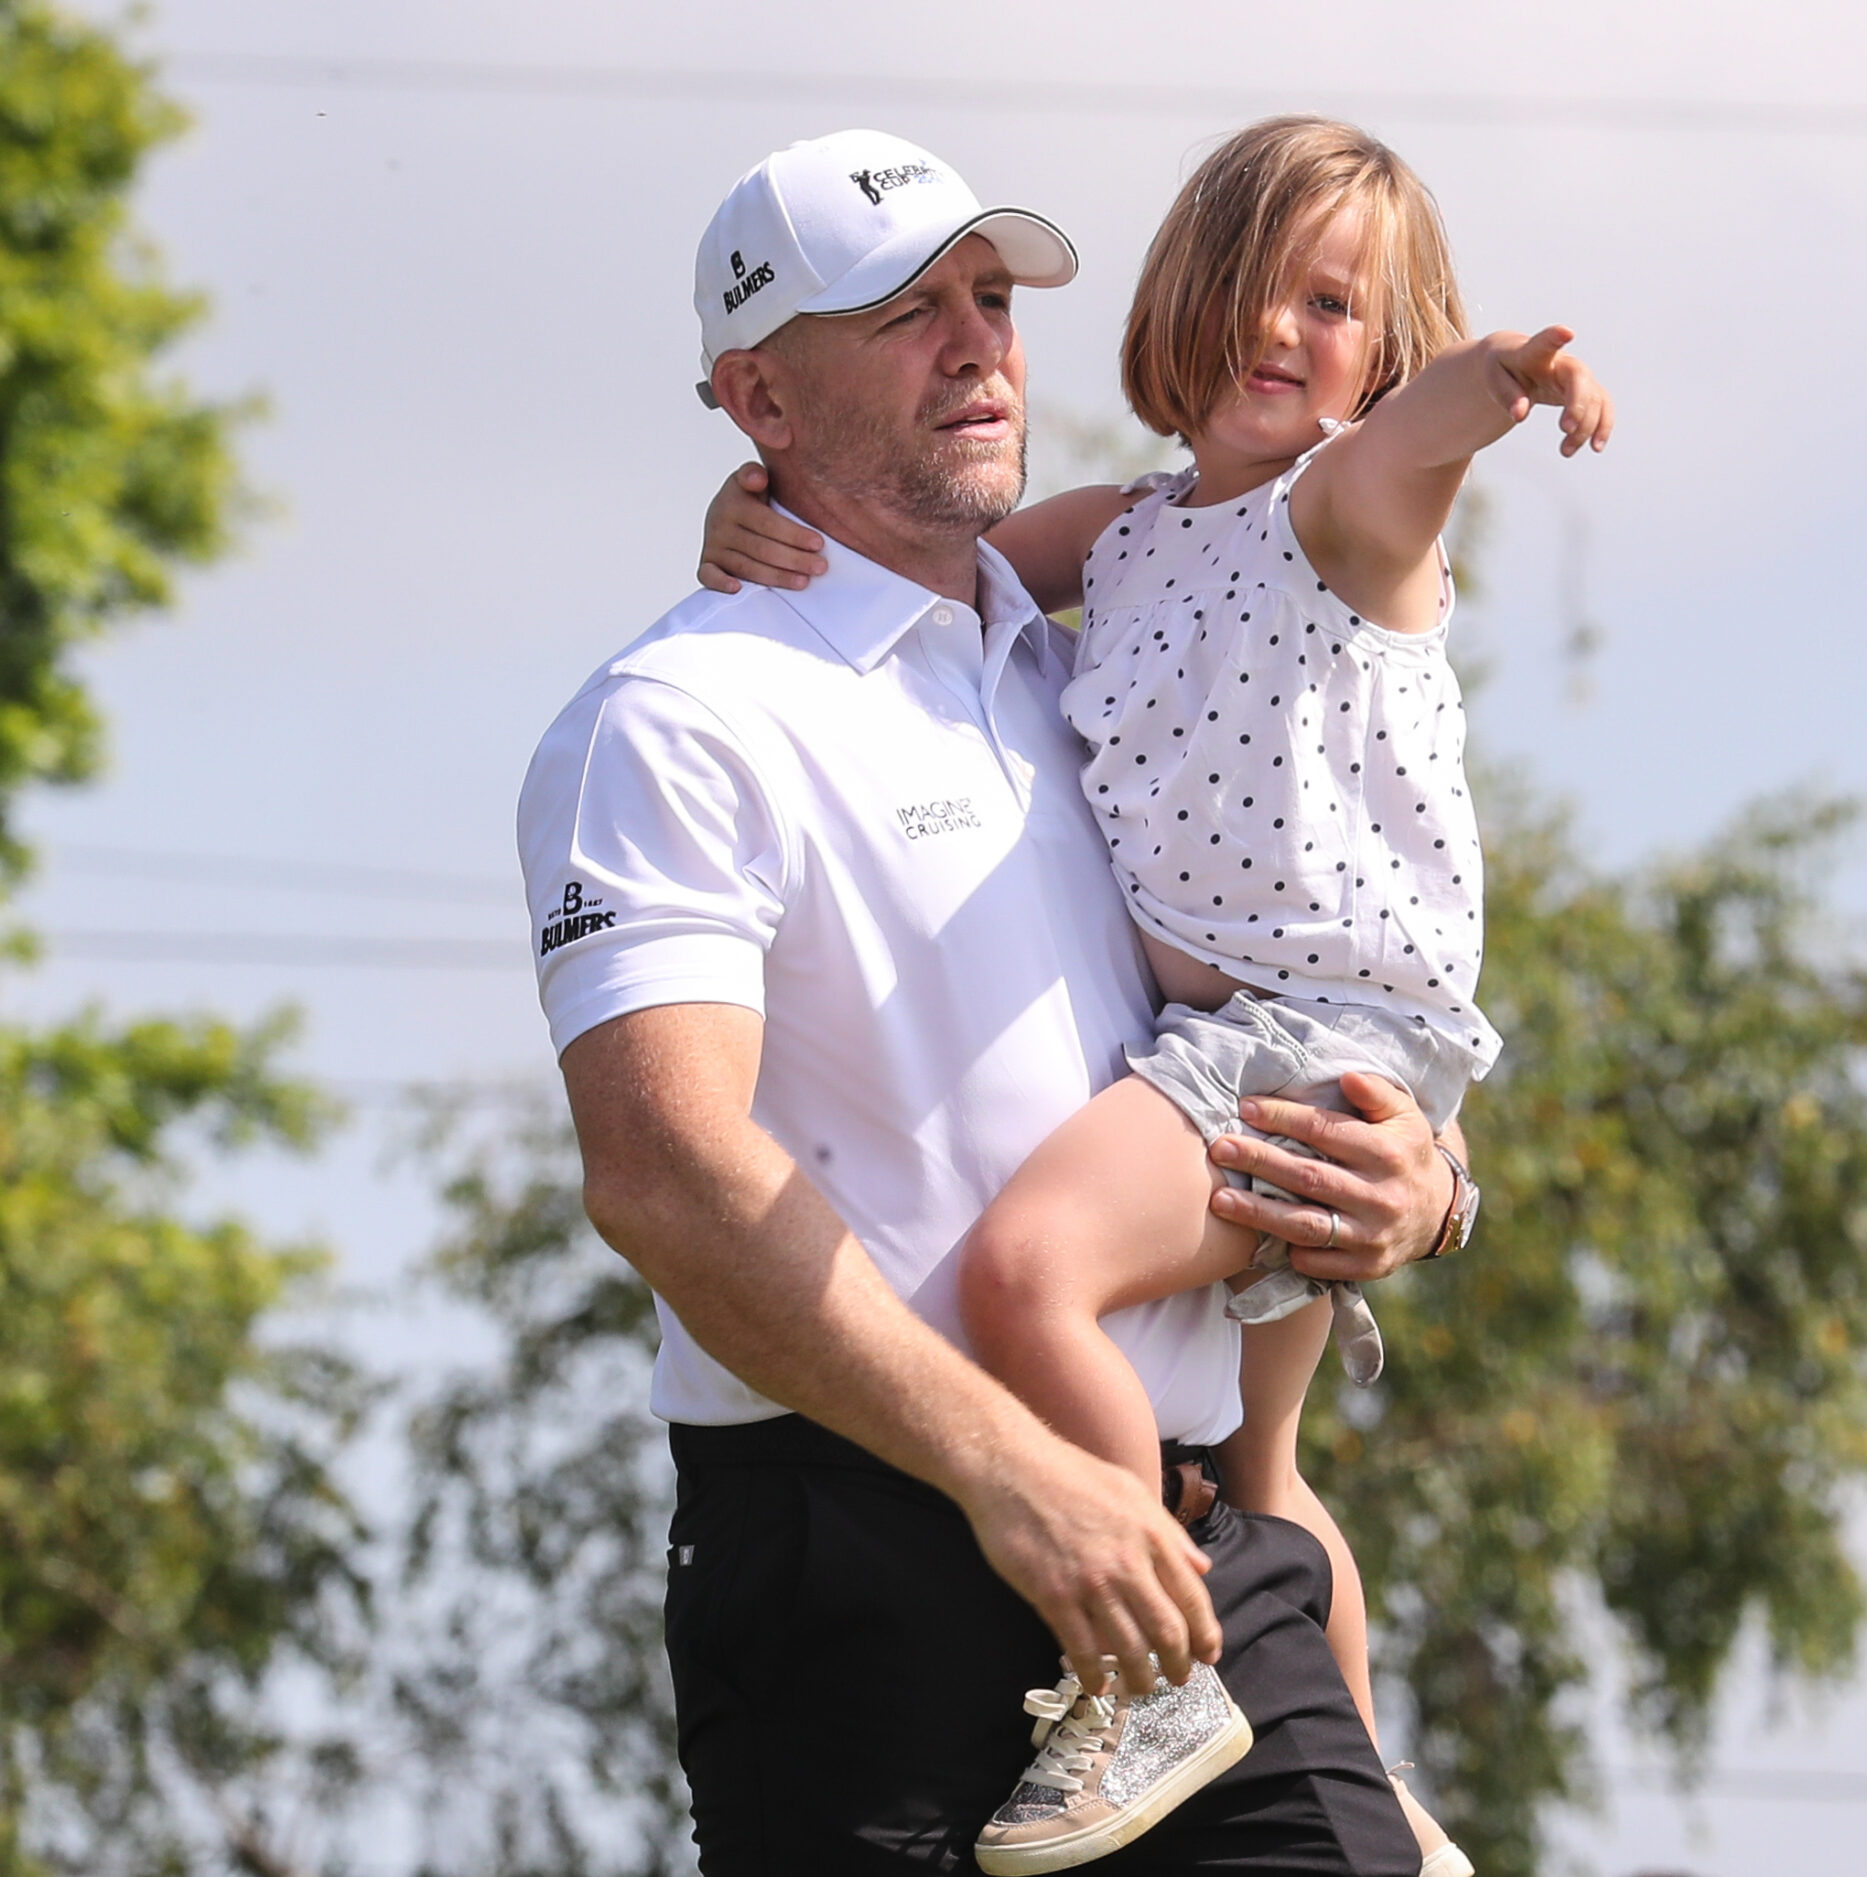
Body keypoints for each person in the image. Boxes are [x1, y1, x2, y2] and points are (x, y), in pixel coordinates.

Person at [518, 128, 1470, 1877]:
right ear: (759, 399)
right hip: (862, 1568)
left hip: (1187, 1554)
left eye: (988, 297)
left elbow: (1302, 978)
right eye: (899, 311)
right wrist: (1010, 1475)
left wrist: (1417, 1181)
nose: (974, 342)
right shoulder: (678, 716)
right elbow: (661, 1174)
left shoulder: (1097, 641)